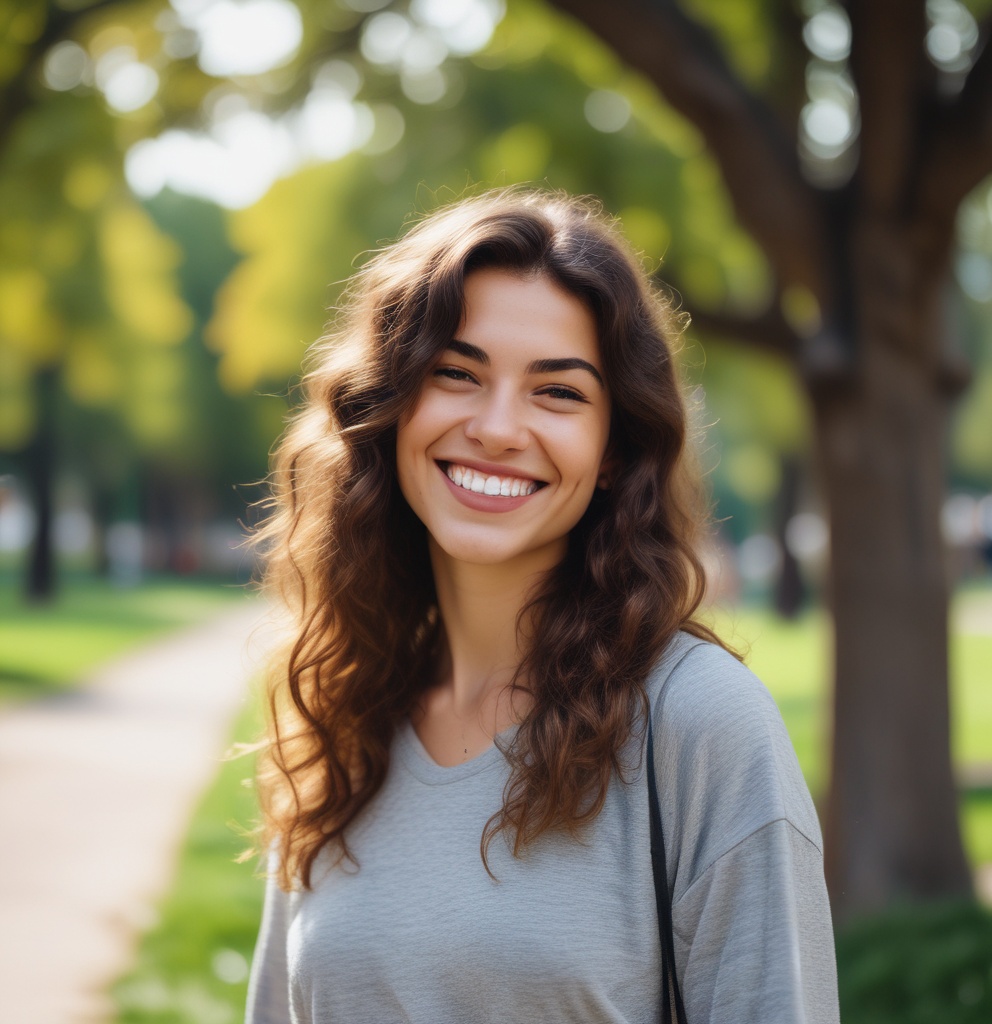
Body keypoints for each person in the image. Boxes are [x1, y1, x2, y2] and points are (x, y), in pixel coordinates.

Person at [244, 188, 840, 1024]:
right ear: (389, 407)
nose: (496, 427)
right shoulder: (344, 716)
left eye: (557, 393)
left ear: (612, 451)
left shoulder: (700, 725)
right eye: (456, 374)